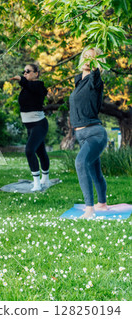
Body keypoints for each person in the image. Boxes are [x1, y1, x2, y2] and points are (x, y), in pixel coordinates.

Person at [69, 47, 108, 219]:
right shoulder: (79, 80)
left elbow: (96, 77)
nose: (87, 60)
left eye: (92, 58)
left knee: (80, 162)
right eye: (85, 56)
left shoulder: (95, 80)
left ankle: (89, 209)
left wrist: (95, 70)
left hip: (95, 134)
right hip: (81, 135)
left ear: (97, 62)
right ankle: (102, 204)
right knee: (94, 171)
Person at [10, 64, 50, 191]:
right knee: (40, 151)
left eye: (28, 71)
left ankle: (37, 184)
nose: (25, 73)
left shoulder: (39, 85)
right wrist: (22, 81)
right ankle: (45, 179)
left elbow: (31, 86)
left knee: (29, 150)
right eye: (24, 71)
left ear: (36, 73)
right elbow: (27, 87)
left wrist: (20, 79)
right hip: (30, 126)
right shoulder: (27, 88)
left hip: (39, 124)